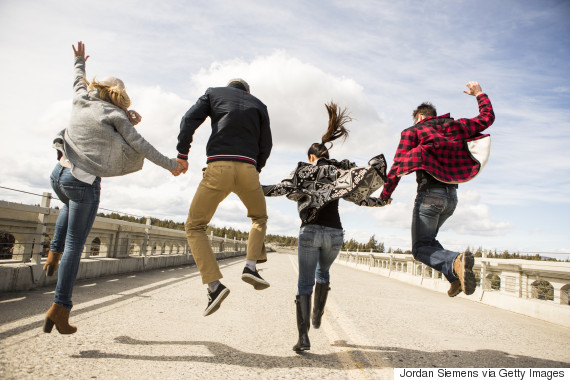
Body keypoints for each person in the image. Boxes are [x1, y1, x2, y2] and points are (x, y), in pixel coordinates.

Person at [43, 41, 183, 335]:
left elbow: (77, 78)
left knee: (66, 206)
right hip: (83, 184)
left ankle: (52, 253)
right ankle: (60, 307)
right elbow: (140, 145)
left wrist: (79, 60)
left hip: (58, 176)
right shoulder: (116, 116)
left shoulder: (82, 97)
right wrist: (171, 164)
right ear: (119, 96)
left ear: (97, 88)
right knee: (75, 246)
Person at [263, 102, 388, 352]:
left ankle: (304, 337)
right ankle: (318, 317)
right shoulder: (339, 172)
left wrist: (250, 186)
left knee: (304, 283)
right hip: (335, 233)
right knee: (323, 274)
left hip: (309, 231)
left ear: (311, 156)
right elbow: (358, 197)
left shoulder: (303, 170)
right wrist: (381, 201)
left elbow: (280, 189)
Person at [380, 81, 495, 298]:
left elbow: (397, 166)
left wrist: (386, 195)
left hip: (429, 197)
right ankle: (454, 277)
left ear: (420, 118)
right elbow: (487, 118)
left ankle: (454, 261)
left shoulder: (413, 131)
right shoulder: (455, 126)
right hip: (451, 199)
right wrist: (479, 94)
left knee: (420, 248)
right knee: (429, 242)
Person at [176, 78, 272, 317]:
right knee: (259, 218)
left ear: (230, 88)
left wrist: (182, 152)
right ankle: (251, 267)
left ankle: (214, 286)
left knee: (195, 226)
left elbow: (189, 119)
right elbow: (266, 143)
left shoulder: (213, 93)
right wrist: (255, 168)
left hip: (218, 167)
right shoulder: (259, 105)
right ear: (247, 91)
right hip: (249, 169)